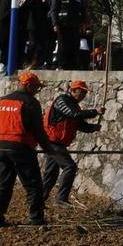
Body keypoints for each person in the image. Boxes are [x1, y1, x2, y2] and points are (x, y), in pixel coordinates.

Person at [0, 72, 57, 229]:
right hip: (22, 147)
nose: (37, 91)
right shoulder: (31, 102)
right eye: (36, 87)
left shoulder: (2, 101)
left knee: (4, 184)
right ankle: (36, 218)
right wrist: (49, 149)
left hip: (2, 148)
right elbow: (38, 130)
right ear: (28, 86)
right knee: (33, 185)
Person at [42, 80, 104, 208]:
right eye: (81, 92)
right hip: (52, 142)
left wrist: (93, 128)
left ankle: (38, 200)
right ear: (73, 90)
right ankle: (60, 199)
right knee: (70, 167)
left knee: (51, 174)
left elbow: (80, 125)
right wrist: (95, 111)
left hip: (57, 142)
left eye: (85, 93)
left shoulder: (75, 106)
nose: (83, 96)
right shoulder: (62, 101)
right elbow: (73, 115)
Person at [49, 0, 87, 70]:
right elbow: (53, 10)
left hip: (75, 25)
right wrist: (55, 24)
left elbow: (83, 10)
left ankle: (73, 66)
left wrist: (83, 23)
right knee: (63, 46)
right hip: (63, 25)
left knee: (75, 46)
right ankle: (62, 65)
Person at [18, 0, 51, 69]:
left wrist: (45, 1)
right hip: (29, 22)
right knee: (32, 44)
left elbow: (47, 8)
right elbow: (22, 4)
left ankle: (38, 63)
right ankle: (28, 62)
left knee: (41, 45)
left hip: (41, 22)